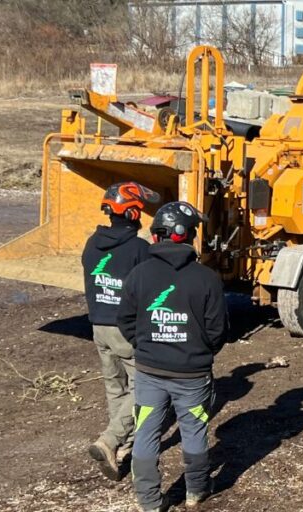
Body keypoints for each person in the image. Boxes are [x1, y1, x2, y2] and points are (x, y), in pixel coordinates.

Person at [118, 201, 228, 512]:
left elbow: (125, 320)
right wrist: (198, 351)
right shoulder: (207, 279)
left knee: (147, 431)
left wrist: (146, 346)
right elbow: (218, 330)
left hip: (150, 371)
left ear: (156, 236)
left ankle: (149, 502)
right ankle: (195, 491)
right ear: (190, 235)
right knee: (193, 430)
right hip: (192, 375)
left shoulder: (138, 275)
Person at [82, 181, 158, 480]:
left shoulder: (91, 243)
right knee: (144, 388)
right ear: (133, 213)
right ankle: (111, 440)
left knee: (115, 389)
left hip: (98, 326)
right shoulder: (139, 249)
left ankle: (119, 448)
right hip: (126, 329)